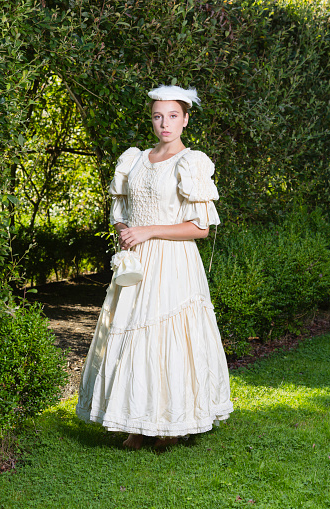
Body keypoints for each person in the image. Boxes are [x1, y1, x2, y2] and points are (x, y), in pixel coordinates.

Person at [76, 85, 233, 449]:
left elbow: (200, 228)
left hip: (173, 262)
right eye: (158, 116)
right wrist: (125, 235)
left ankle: (171, 425)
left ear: (186, 119)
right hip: (137, 263)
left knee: (168, 338)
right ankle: (136, 423)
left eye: (173, 116)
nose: (165, 123)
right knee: (132, 335)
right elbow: (120, 211)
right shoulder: (134, 159)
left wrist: (147, 231)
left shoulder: (190, 162)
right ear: (152, 118)